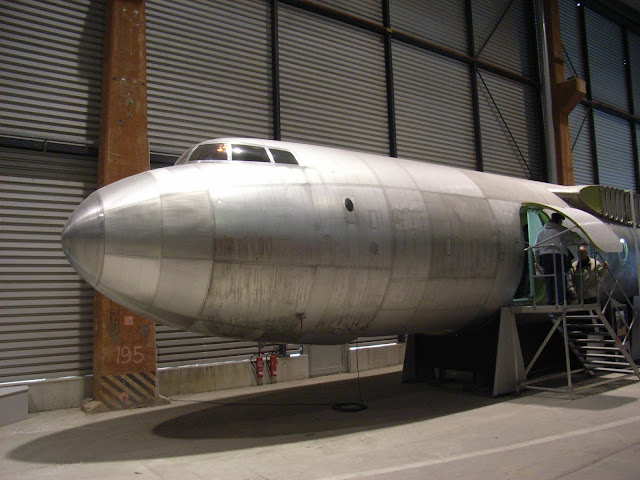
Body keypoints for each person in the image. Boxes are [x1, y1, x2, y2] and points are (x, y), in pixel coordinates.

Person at [535, 212, 580, 305]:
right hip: (558, 256)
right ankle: (561, 300)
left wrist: (537, 260)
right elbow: (574, 237)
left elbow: (536, 247)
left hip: (545, 257)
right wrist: (584, 242)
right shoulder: (561, 230)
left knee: (549, 279)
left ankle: (550, 301)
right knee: (560, 278)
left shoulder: (541, 232)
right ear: (559, 220)